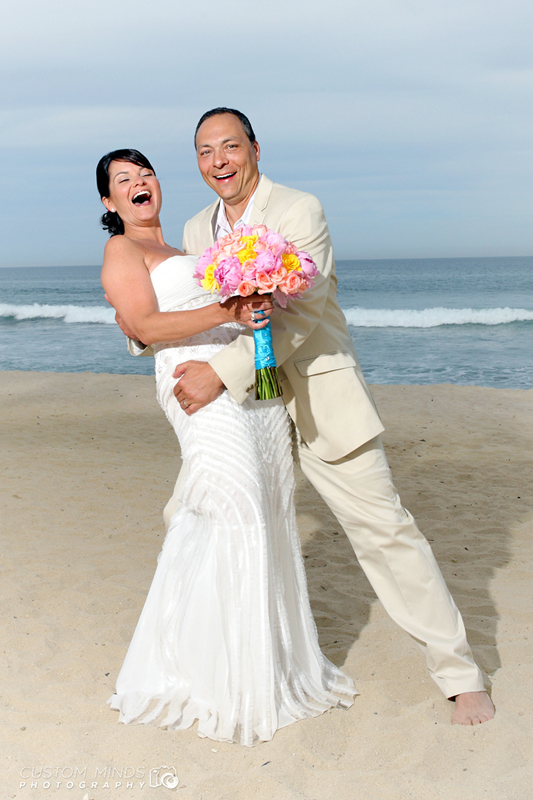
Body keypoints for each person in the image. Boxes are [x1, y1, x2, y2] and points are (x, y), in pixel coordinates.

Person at [124, 109, 495, 725]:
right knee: (192, 515)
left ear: (254, 149)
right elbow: (187, 301)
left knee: (384, 530)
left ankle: (459, 674)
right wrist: (138, 333)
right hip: (243, 413)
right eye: (205, 152)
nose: (219, 161)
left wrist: (222, 371)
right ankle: (195, 662)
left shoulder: (299, 210)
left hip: (317, 397)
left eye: (230, 147)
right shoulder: (195, 227)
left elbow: (299, 311)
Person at [97, 148, 356, 746]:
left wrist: (254, 310)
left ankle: (262, 666)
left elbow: (223, 312)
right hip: (195, 386)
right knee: (237, 508)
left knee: (262, 508)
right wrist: (227, 306)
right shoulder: (122, 250)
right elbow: (145, 327)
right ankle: (220, 681)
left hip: (247, 382)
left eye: (145, 174)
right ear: (110, 203)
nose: (140, 184)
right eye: (124, 181)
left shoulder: (192, 245)